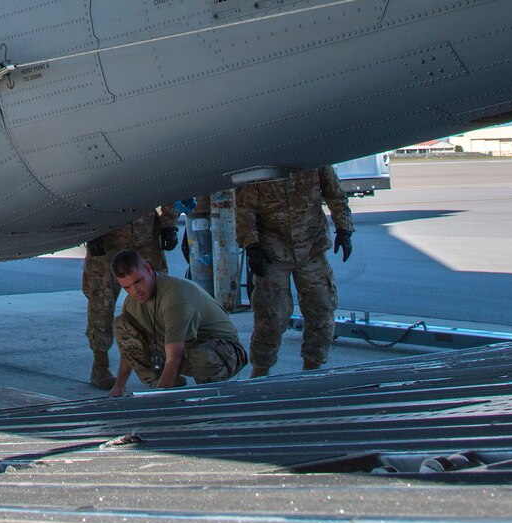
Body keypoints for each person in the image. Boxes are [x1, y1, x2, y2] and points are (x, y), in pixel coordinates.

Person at [235, 165, 355, 376]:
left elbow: (335, 194)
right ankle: (261, 369)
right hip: (272, 251)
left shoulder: (315, 162)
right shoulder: (260, 164)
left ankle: (313, 367)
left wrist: (344, 228)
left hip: (311, 248)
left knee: (322, 307)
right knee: (271, 315)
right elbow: (246, 208)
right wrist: (251, 244)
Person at [108, 248, 247, 395]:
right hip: (184, 346)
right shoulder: (132, 303)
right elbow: (129, 347)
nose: (135, 291)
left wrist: (160, 401)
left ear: (148, 269)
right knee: (122, 325)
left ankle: (210, 393)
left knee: (201, 358)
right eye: (127, 287)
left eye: (138, 281)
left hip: (223, 351)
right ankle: (163, 382)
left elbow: (175, 358)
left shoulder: (175, 298)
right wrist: (119, 386)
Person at [82, 207, 178, 389]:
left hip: (145, 238)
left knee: (157, 303)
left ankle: (160, 367)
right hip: (107, 242)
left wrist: (169, 223)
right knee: (101, 305)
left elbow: (165, 187)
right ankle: (100, 365)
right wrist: (91, 231)